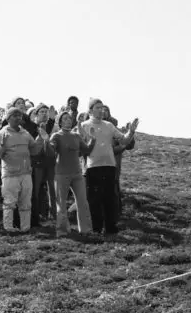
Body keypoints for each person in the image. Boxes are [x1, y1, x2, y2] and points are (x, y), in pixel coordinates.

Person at [79, 99, 138, 237]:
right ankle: (96, 229)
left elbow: (123, 140)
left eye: (103, 108)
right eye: (98, 107)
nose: (101, 110)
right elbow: (80, 147)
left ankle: (111, 228)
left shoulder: (109, 125)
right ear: (90, 110)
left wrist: (131, 132)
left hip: (110, 166)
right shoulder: (84, 125)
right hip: (92, 167)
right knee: (94, 199)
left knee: (110, 198)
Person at [0, 107, 45, 233]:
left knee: (26, 203)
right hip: (10, 174)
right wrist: (1, 146)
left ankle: (25, 228)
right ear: (8, 118)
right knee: (9, 203)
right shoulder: (2, 133)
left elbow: (34, 150)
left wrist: (40, 139)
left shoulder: (25, 133)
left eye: (19, 115)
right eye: (14, 115)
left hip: (26, 173)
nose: (17, 118)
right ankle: (8, 228)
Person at [48, 110, 94, 237]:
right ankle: (62, 231)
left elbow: (87, 150)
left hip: (77, 174)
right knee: (61, 203)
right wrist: (48, 142)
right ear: (60, 121)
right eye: (65, 118)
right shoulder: (56, 136)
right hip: (61, 174)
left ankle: (85, 229)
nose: (68, 120)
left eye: (69, 118)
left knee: (83, 202)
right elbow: (51, 151)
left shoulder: (76, 136)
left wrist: (93, 140)